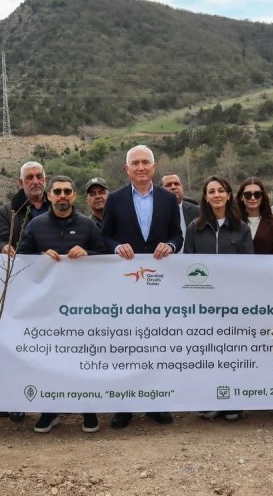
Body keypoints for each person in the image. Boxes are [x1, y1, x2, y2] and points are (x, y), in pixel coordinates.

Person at [101, 144, 182, 429]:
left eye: (145, 162)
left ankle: (155, 402)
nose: (140, 167)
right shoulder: (115, 199)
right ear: (127, 169)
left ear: (154, 167)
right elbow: (105, 236)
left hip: (159, 284)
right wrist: (115, 247)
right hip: (126, 283)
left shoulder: (168, 199)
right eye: (134, 162)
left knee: (156, 341)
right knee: (127, 344)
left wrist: (170, 245)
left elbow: (177, 236)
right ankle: (125, 406)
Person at [17, 176, 107, 433]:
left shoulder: (88, 226)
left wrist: (89, 254)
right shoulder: (36, 225)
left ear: (75, 195)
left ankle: (89, 410)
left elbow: (106, 257)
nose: (63, 195)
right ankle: (50, 410)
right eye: (57, 191)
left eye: (67, 191)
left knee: (84, 358)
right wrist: (39, 258)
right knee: (50, 358)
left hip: (82, 305)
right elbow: (22, 258)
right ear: (50, 196)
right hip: (47, 306)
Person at [185, 177, 252, 421]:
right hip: (204, 304)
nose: (216, 195)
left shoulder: (242, 228)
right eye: (211, 191)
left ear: (228, 195)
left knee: (232, 353)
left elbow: (249, 267)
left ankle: (233, 402)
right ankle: (208, 400)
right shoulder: (194, 227)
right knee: (207, 354)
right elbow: (188, 265)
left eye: (220, 191)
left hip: (233, 304)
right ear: (205, 197)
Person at [0, 161, 50, 254]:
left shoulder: (57, 209)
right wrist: (3, 247)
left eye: (39, 177)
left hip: (54, 266)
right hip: (20, 266)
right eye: (30, 177)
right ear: (21, 183)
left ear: (45, 180)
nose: (36, 182)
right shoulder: (6, 213)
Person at [236, 177, 273, 254]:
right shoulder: (233, 221)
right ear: (241, 197)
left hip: (266, 265)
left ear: (262, 197)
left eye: (257, 194)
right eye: (248, 194)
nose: (253, 198)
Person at [161, 173, 199, 246]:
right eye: (168, 185)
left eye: (176, 184)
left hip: (192, 256)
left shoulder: (197, 211)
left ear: (182, 187)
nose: (173, 187)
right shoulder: (154, 212)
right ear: (160, 190)